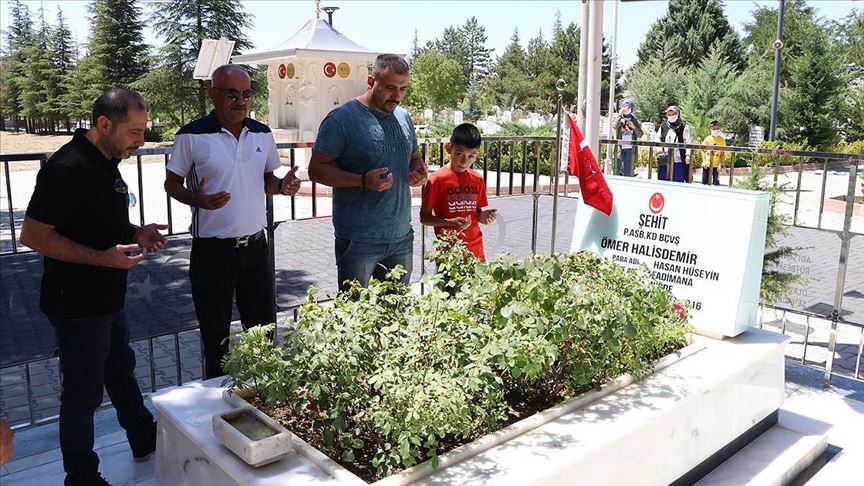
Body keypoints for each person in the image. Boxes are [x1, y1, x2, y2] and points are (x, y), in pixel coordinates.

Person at [20, 88, 166, 486]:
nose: (141, 141)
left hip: (107, 296)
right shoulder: (67, 167)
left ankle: (143, 437)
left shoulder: (105, 160)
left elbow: (96, 222)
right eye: (134, 132)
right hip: (77, 304)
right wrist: (103, 259)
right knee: (83, 395)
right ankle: (81, 477)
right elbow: (31, 235)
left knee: (121, 370)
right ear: (104, 124)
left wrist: (138, 232)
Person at [165, 64, 301, 379]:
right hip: (212, 253)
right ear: (213, 95)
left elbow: (267, 180)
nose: (241, 101)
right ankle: (216, 409)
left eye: (246, 94)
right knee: (216, 340)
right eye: (231, 94)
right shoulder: (191, 136)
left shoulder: (262, 133)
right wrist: (195, 199)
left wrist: (282, 187)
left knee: (264, 334)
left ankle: (266, 400)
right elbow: (172, 184)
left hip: (255, 249)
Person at [309, 54, 427, 292]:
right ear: (371, 81)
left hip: (401, 235)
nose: (397, 96)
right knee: (354, 316)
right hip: (358, 239)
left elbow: (414, 158)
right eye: (390, 88)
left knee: (396, 315)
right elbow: (316, 170)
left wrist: (418, 171)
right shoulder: (342, 119)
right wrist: (362, 181)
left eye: (403, 89)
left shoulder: (404, 118)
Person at [420, 123, 497, 261]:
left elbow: (477, 212)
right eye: (459, 153)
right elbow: (424, 218)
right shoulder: (437, 179)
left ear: (477, 154)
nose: (464, 160)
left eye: (471, 156)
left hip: (476, 251)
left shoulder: (477, 179)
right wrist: (450, 222)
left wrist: (483, 217)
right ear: (449, 148)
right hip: (449, 253)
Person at [655, 105, 692, 183]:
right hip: (665, 159)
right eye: (669, 114)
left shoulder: (683, 126)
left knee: (677, 180)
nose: (671, 116)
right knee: (663, 180)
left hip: (678, 159)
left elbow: (688, 142)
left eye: (673, 114)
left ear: (677, 114)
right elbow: (657, 138)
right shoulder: (663, 125)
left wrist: (688, 155)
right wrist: (659, 148)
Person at [612, 98, 643, 177]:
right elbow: (615, 126)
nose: (626, 108)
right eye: (625, 106)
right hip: (619, 147)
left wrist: (634, 127)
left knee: (628, 171)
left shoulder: (634, 120)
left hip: (630, 148)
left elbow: (640, 134)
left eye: (629, 107)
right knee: (616, 169)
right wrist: (620, 114)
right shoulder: (618, 117)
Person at [701, 120, 726, 186]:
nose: (716, 130)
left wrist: (720, 164)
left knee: (716, 183)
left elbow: (722, 153)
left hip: (716, 165)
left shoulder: (722, 140)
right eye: (714, 129)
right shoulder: (707, 139)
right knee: (704, 183)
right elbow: (703, 150)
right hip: (707, 164)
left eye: (717, 129)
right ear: (710, 129)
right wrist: (704, 161)